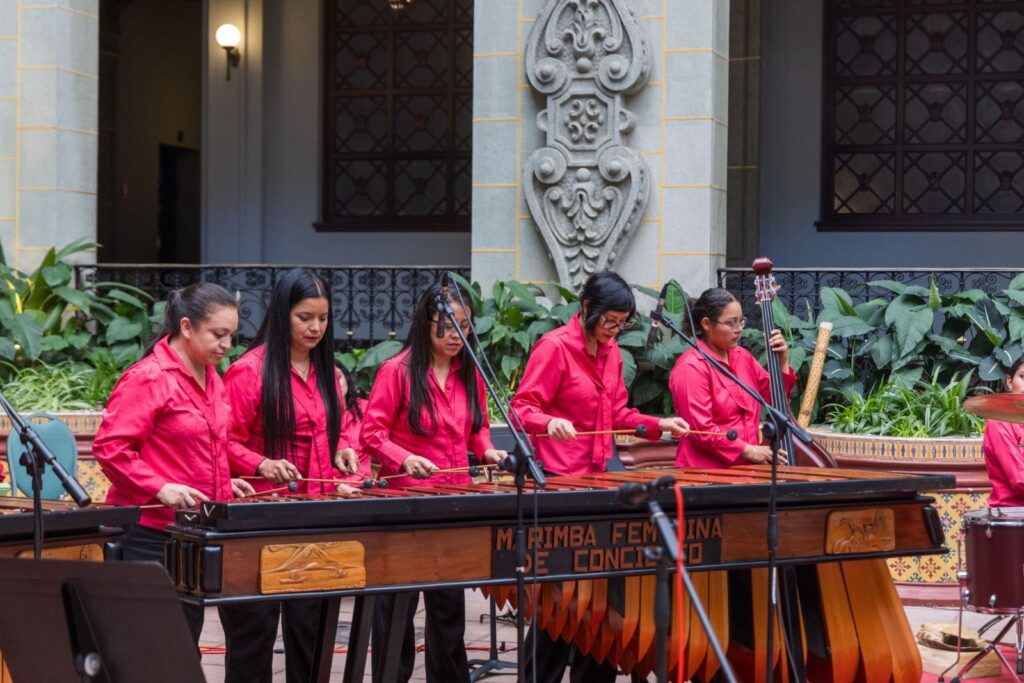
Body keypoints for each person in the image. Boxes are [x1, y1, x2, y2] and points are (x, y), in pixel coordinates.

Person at [510, 270, 689, 683]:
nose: (614, 331)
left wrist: (660, 424)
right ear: (587, 309)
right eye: (609, 321)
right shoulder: (554, 348)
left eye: (621, 324)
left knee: (602, 601)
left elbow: (620, 417)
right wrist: (548, 420)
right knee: (559, 604)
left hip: (598, 478)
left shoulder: (612, 354)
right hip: (558, 482)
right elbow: (521, 408)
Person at [92, 283, 271, 644]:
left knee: (183, 644)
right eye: (218, 334)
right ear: (186, 327)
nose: (226, 345)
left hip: (191, 530)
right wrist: (159, 487)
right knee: (155, 648)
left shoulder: (212, 376)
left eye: (231, 336)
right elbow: (111, 448)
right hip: (149, 532)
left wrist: (223, 482)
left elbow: (208, 445)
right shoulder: (149, 377)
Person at [218, 268, 362, 683]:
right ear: (283, 315)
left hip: (316, 515)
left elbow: (336, 431)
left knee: (312, 630)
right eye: (304, 318)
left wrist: (342, 449)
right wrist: (259, 463)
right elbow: (223, 443)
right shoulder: (249, 371)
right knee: (254, 634)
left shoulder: (329, 372)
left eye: (322, 318)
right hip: (261, 518)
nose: (315, 327)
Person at [361, 281, 507, 683]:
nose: (455, 335)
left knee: (448, 611)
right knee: (397, 612)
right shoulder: (398, 371)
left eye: (463, 326)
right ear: (426, 324)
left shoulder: (469, 373)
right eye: (446, 325)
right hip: (406, 508)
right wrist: (405, 458)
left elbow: (475, 428)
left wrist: (488, 449)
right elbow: (371, 435)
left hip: (453, 502)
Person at [668, 287, 794, 469]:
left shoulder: (743, 357)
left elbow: (775, 400)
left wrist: (782, 361)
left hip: (746, 466)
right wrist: (750, 451)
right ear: (706, 324)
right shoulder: (690, 367)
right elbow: (701, 430)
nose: (739, 329)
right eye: (731, 323)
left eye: (740, 321)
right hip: (704, 471)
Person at [982, 355, 1024, 507]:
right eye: (1023, 376)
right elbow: (1019, 480)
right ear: (1009, 382)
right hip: (1011, 515)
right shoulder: (999, 422)